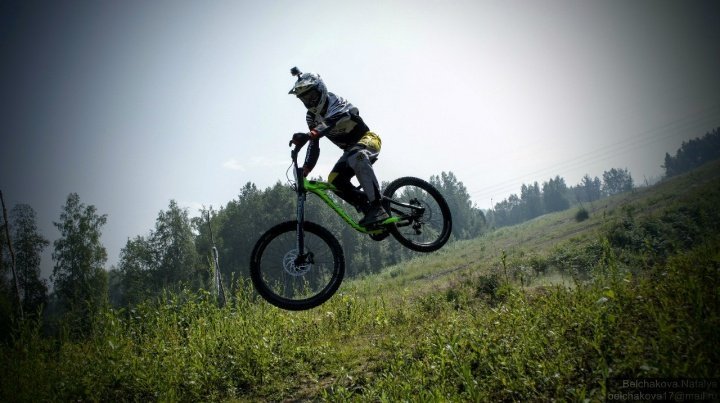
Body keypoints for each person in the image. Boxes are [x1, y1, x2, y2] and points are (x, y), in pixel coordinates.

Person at [288, 67, 389, 226]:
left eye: (311, 96)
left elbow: (333, 120)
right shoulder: (311, 117)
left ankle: (378, 207)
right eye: (304, 99)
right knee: (334, 181)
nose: (309, 101)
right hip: (349, 151)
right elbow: (314, 144)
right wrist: (306, 168)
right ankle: (366, 208)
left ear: (321, 90)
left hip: (368, 140)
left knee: (357, 155)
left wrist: (309, 134)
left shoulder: (334, 101)